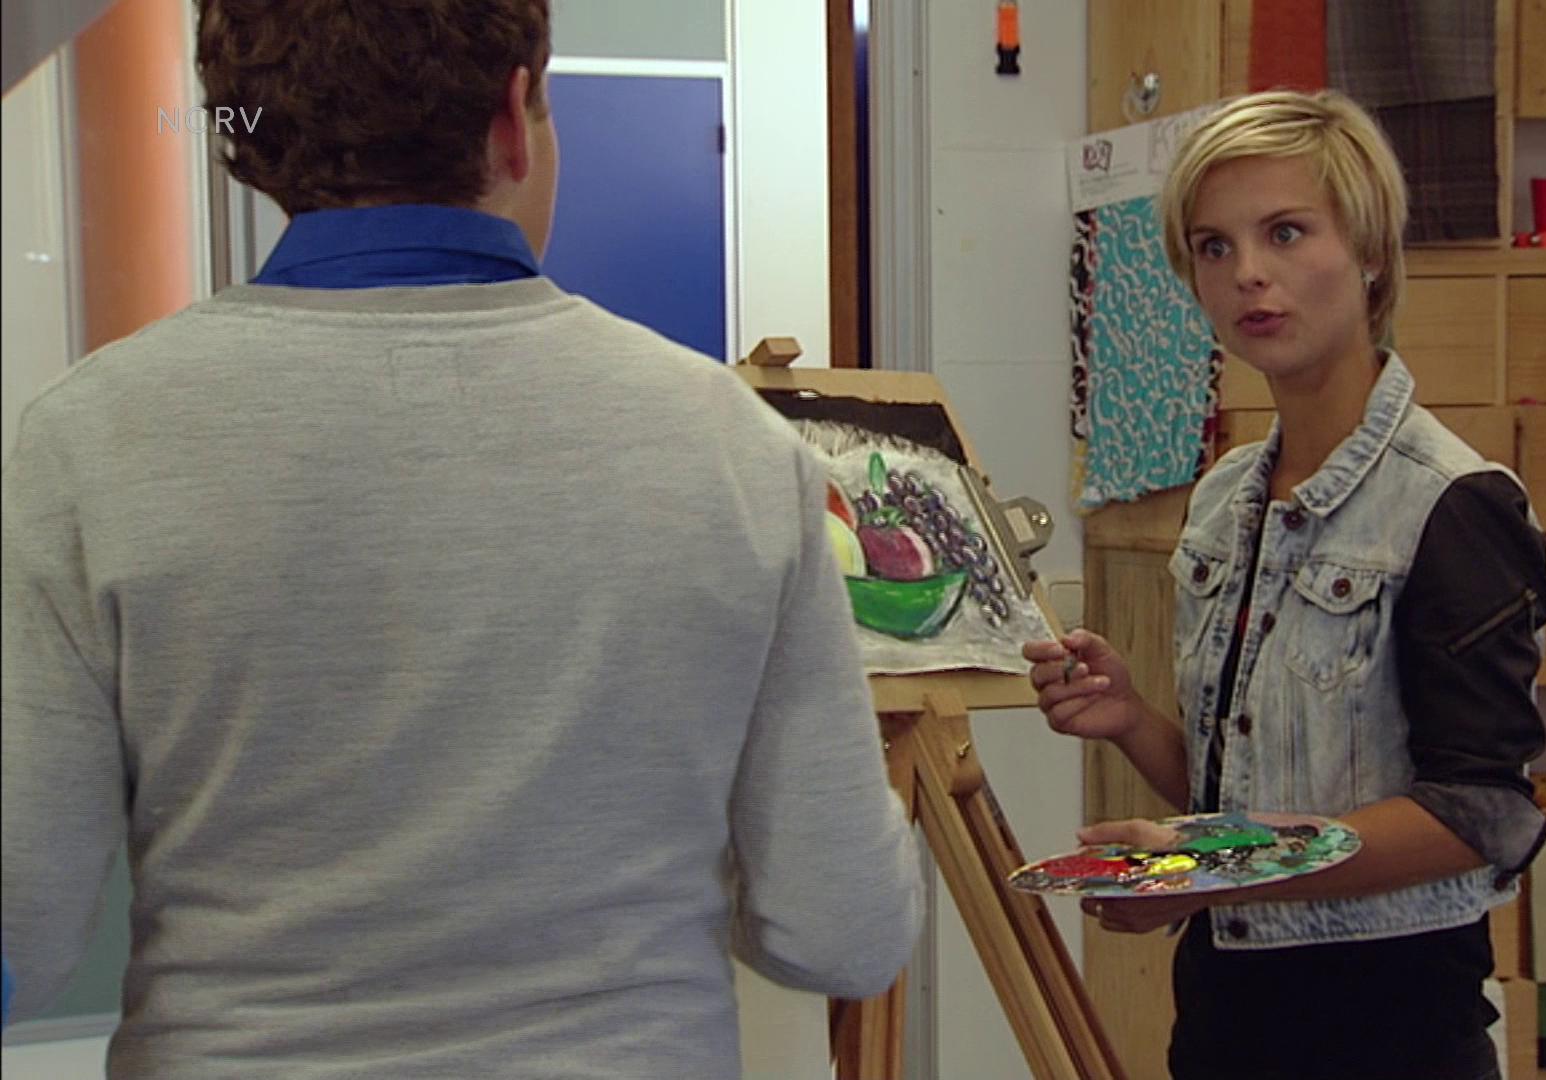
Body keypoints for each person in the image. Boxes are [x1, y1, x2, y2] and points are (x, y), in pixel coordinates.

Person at [0, 2, 920, 1076]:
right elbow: (842, 930)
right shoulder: (734, 449)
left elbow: (23, 926)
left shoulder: (90, 440)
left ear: (249, 136)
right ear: (514, 118)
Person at [1025, 89, 1546, 1080]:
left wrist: (1215, 868)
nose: (1248, 275)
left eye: (1284, 232)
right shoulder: (1226, 498)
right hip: (1223, 1022)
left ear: (1369, 251)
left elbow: (1478, 813)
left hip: (1391, 1035)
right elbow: (1241, 791)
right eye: (1213, 247)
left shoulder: (1453, 503)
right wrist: (1132, 720)